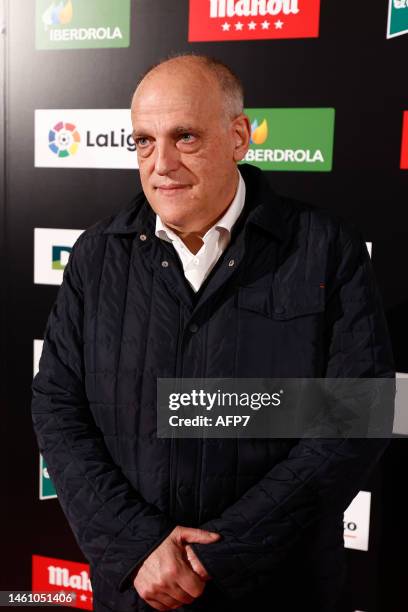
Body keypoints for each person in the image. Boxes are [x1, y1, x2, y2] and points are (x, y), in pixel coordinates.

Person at [31, 53, 395, 612]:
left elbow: (359, 414)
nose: (162, 163)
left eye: (186, 137)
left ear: (239, 137)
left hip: (280, 591)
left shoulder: (326, 249)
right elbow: (58, 406)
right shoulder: (95, 256)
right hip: (137, 591)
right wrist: (139, 546)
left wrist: (222, 557)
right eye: (144, 142)